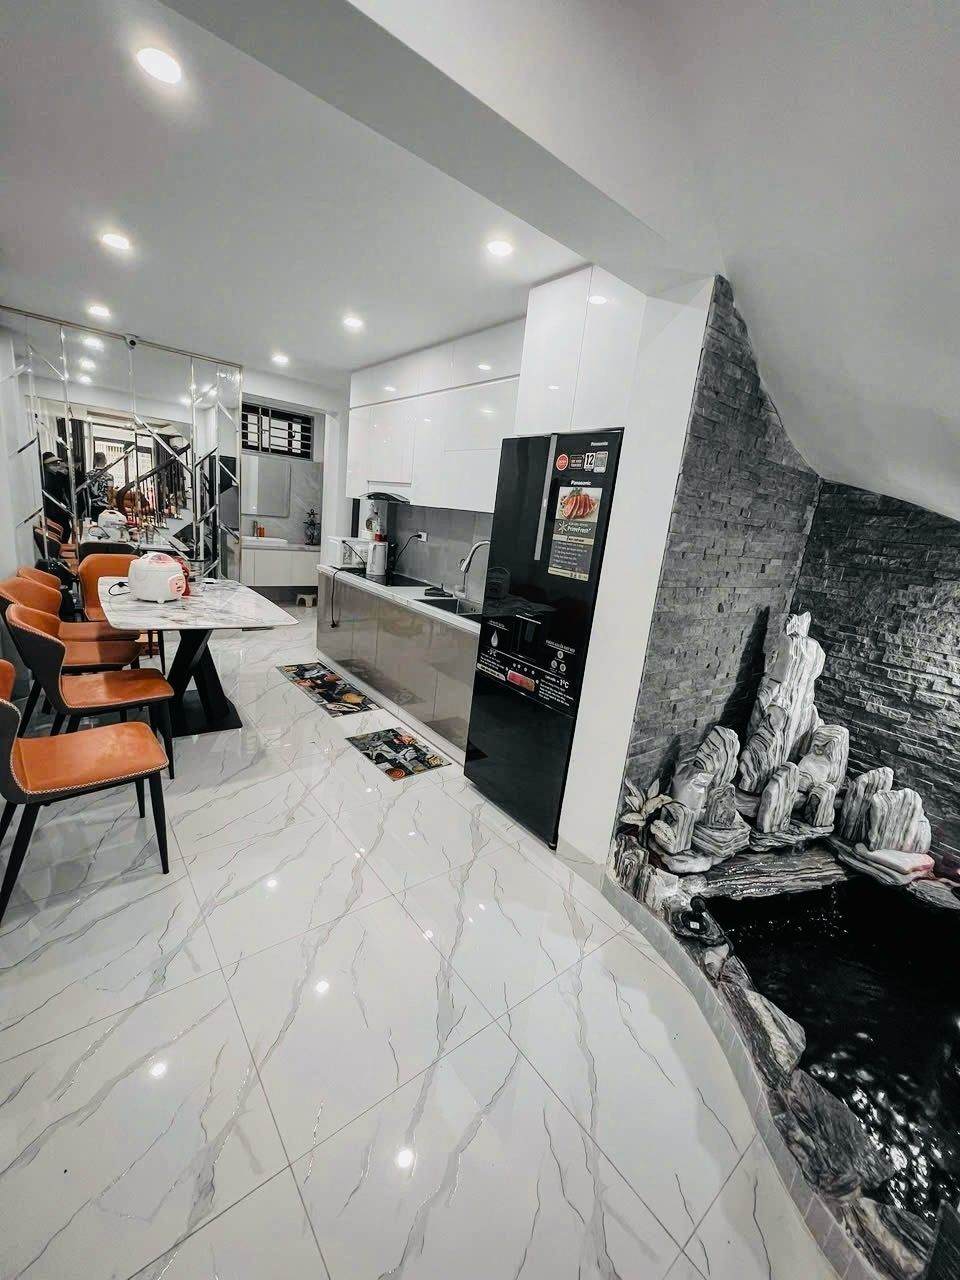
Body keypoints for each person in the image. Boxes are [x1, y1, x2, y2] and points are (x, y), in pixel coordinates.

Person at [86, 451, 114, 521]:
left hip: (91, 505)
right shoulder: (109, 476)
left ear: (95, 461)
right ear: (105, 461)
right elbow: (110, 492)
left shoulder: (88, 475)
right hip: (104, 506)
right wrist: (110, 504)